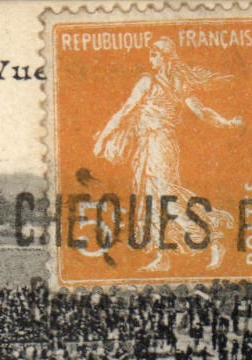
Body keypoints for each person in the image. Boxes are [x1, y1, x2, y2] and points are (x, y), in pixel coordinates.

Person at [91, 37, 243, 272]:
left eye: (154, 54)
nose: (150, 58)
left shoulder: (156, 82)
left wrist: (102, 139)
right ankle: (163, 257)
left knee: (165, 199)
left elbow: (199, 111)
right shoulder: (166, 82)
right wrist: (227, 123)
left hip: (159, 144)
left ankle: (214, 238)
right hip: (149, 145)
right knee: (150, 200)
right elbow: (128, 111)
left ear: (165, 57)